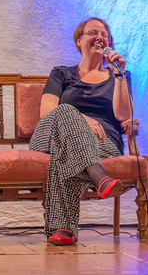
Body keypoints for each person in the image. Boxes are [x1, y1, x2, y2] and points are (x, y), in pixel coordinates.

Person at [29, 17, 133, 246]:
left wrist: (119, 75)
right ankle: (99, 176)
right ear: (79, 40)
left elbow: (123, 116)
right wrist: (82, 119)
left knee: (66, 152)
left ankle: (64, 228)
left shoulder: (120, 76)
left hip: (103, 142)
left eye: (104, 34)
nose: (100, 38)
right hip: (50, 135)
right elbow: (47, 111)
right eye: (93, 33)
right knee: (65, 110)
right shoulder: (62, 74)